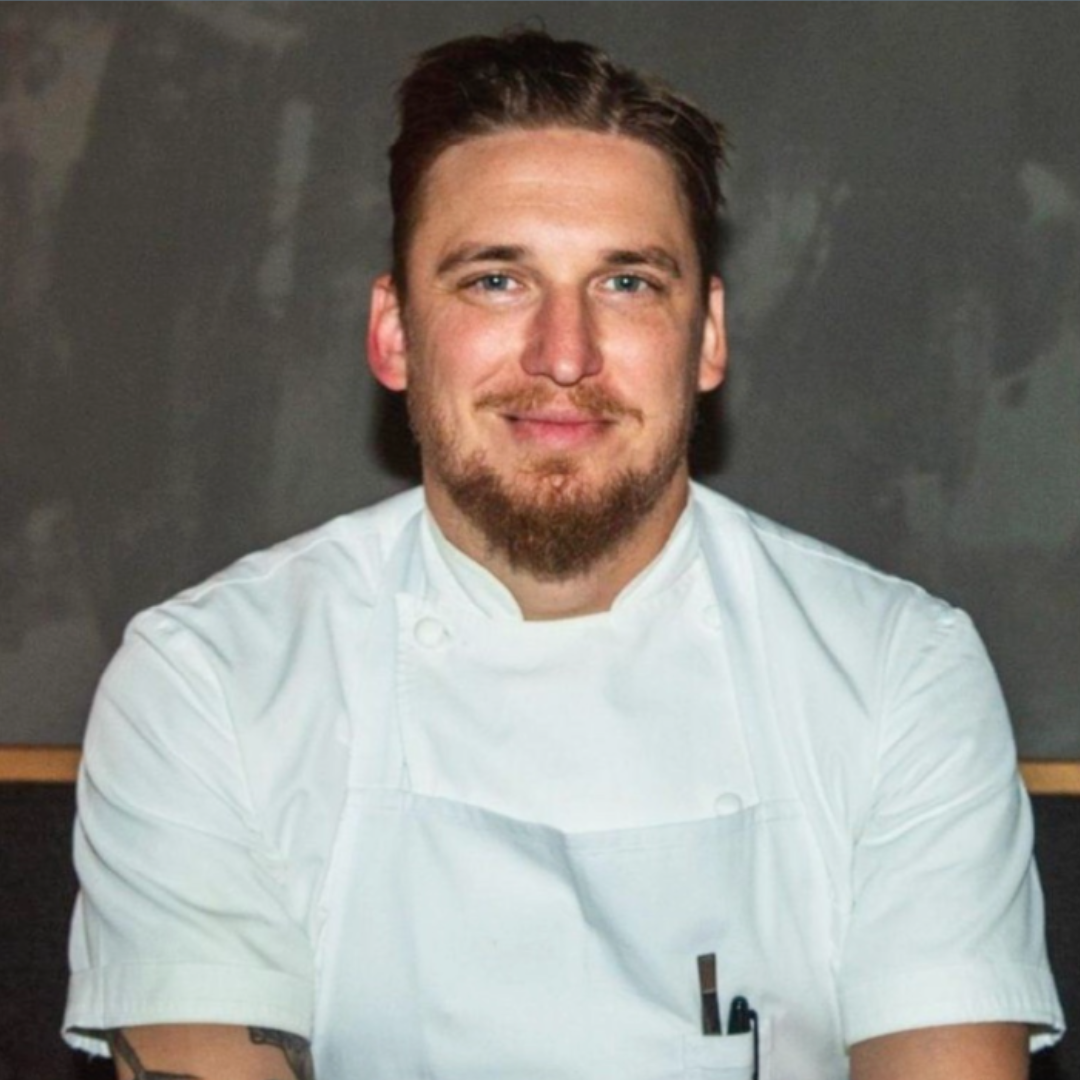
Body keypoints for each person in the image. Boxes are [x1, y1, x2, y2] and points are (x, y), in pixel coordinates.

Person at [64, 29, 1063, 1080]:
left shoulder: (898, 670)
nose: (565, 355)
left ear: (708, 336)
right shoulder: (210, 680)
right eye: (497, 280)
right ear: (395, 333)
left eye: (626, 283)